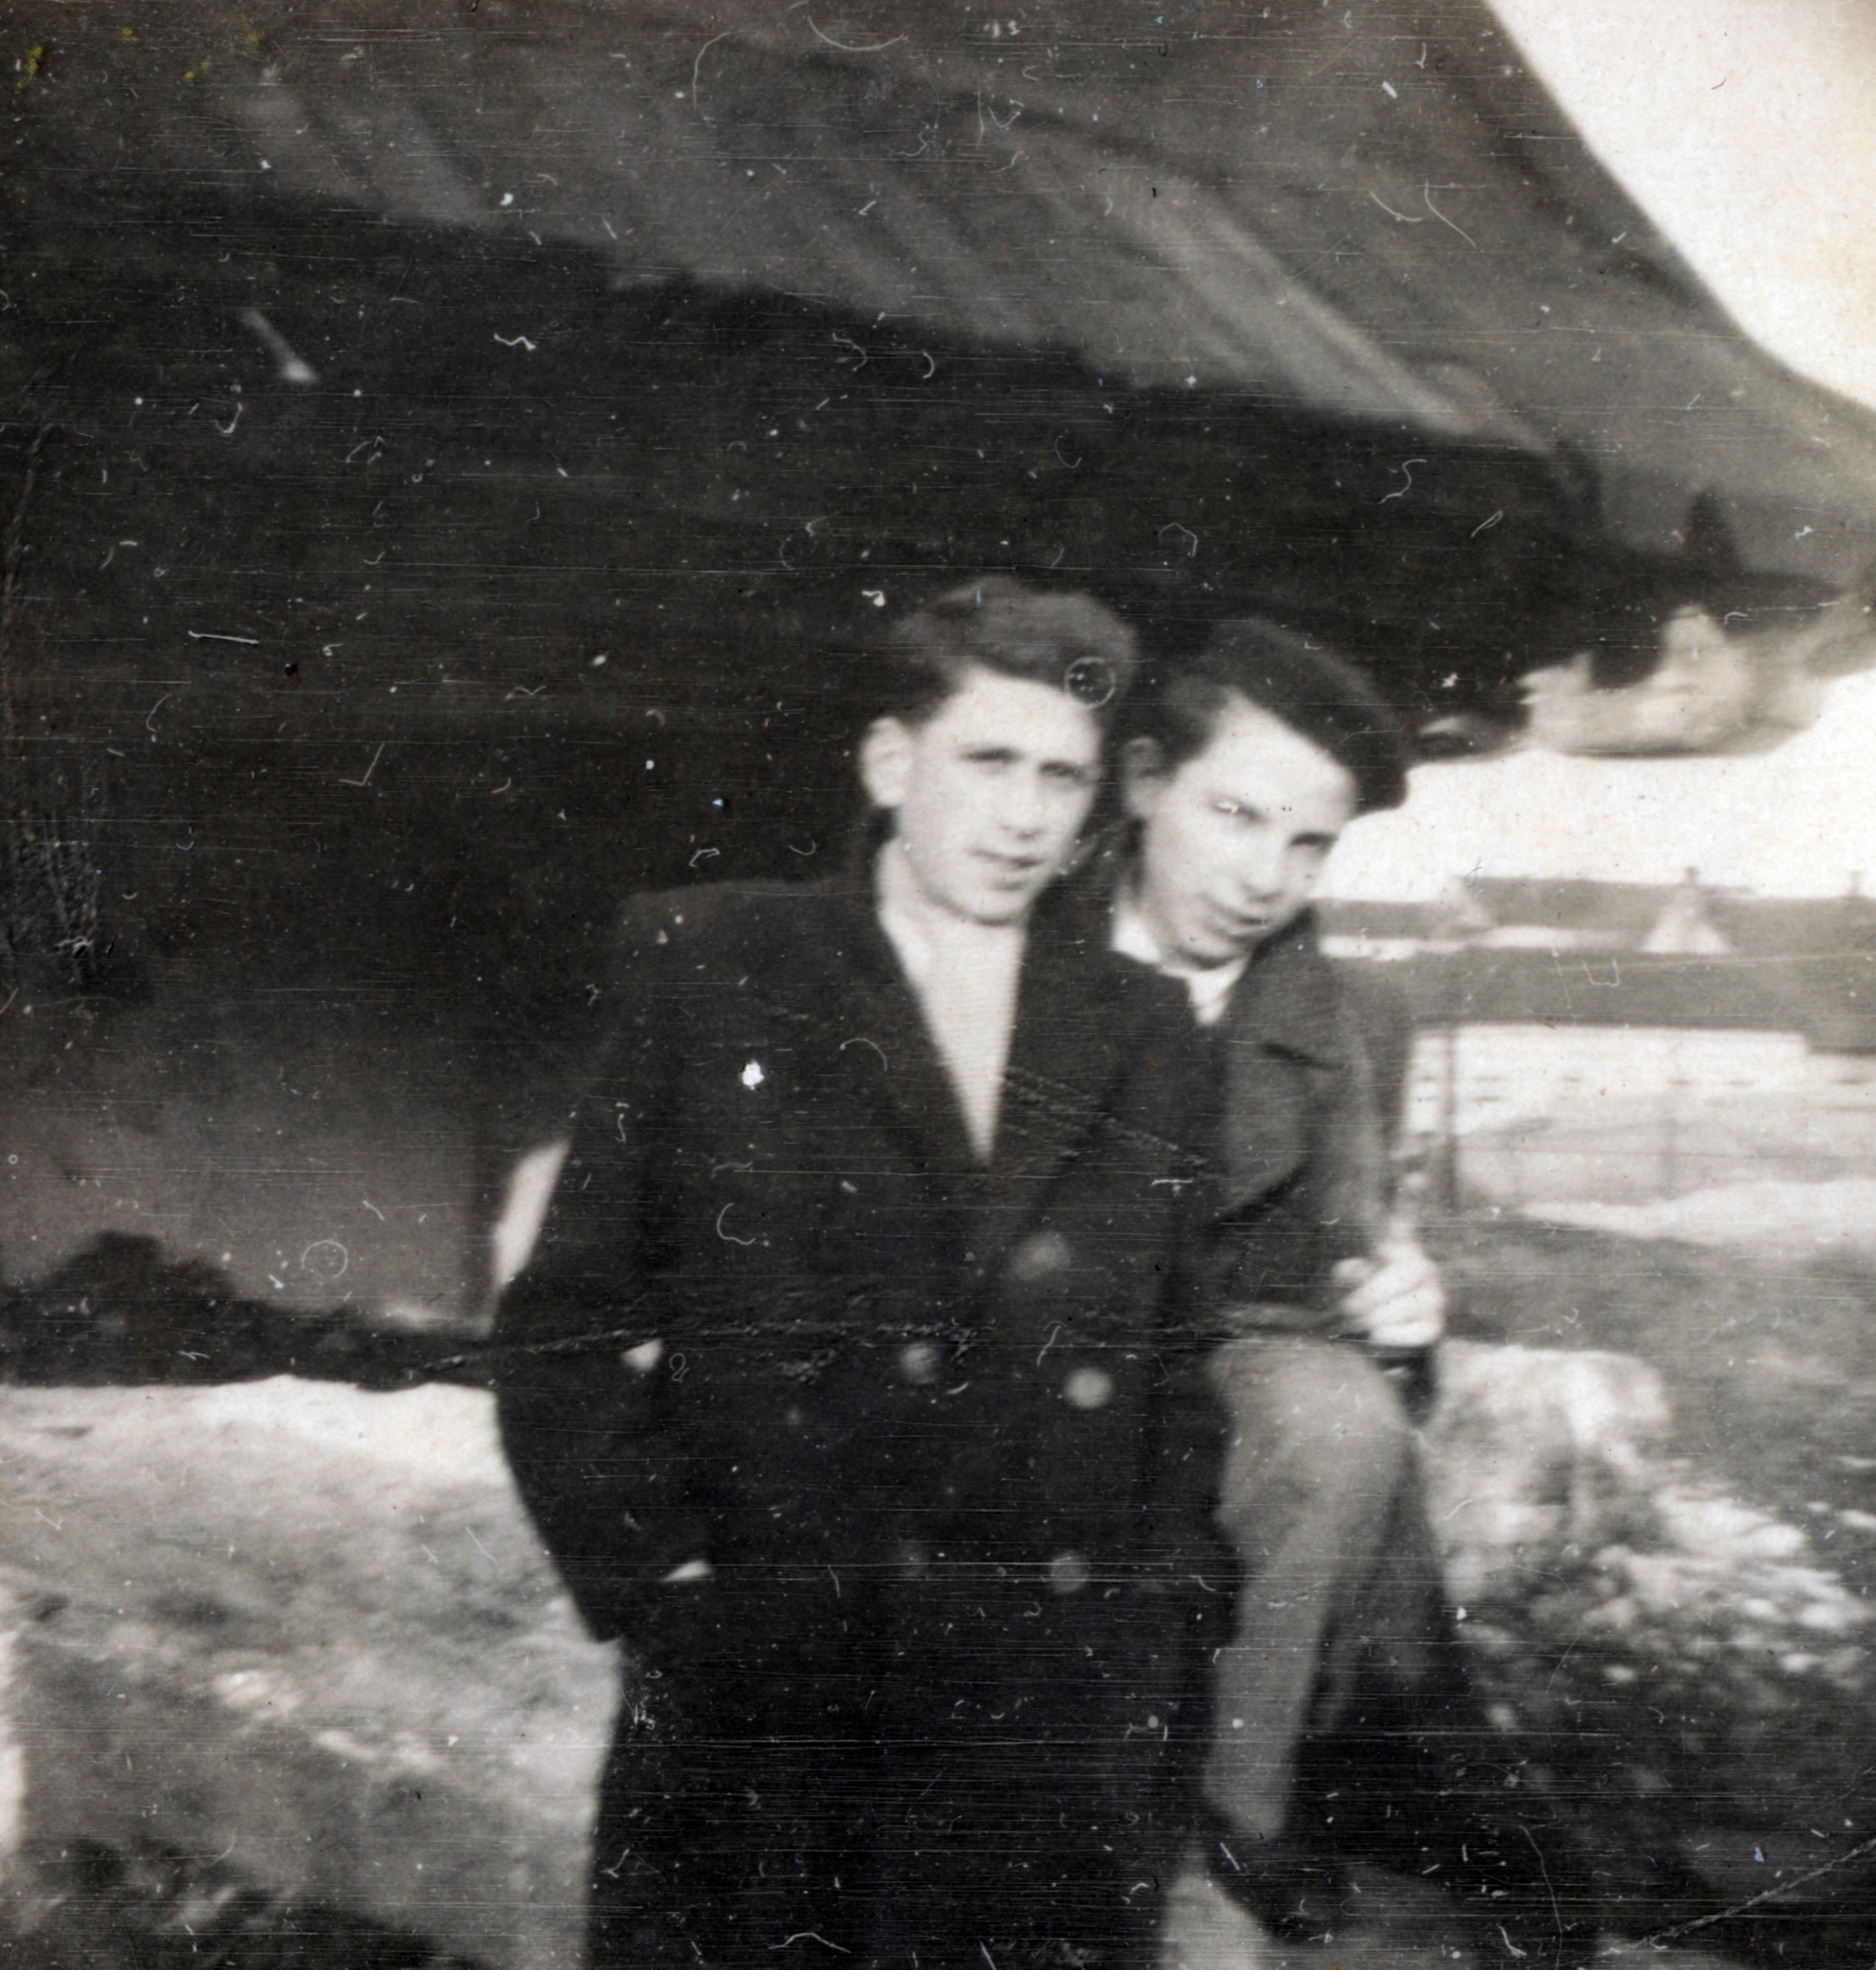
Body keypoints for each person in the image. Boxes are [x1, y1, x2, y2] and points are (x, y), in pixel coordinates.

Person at [492, 579, 1231, 1968]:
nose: (1024, 816)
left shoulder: (1146, 1030)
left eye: (1062, 778)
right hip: (774, 1688)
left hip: (1042, 1712)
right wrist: (666, 1578)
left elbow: (1177, 1363)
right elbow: (563, 1326)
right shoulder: (720, 963)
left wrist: (1163, 1614)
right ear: (893, 763)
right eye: (989, 760)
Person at [1103, 622, 1574, 1964]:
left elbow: (1346, 1254)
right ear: (1144, 782)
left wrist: (1402, 1295)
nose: (1267, 877)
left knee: (1345, 1429)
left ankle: (1238, 1819)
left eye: (1310, 844)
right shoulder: (1009, 952)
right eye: (1237, 816)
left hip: (1229, 1345)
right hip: (1022, 1341)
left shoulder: (1355, 1018)